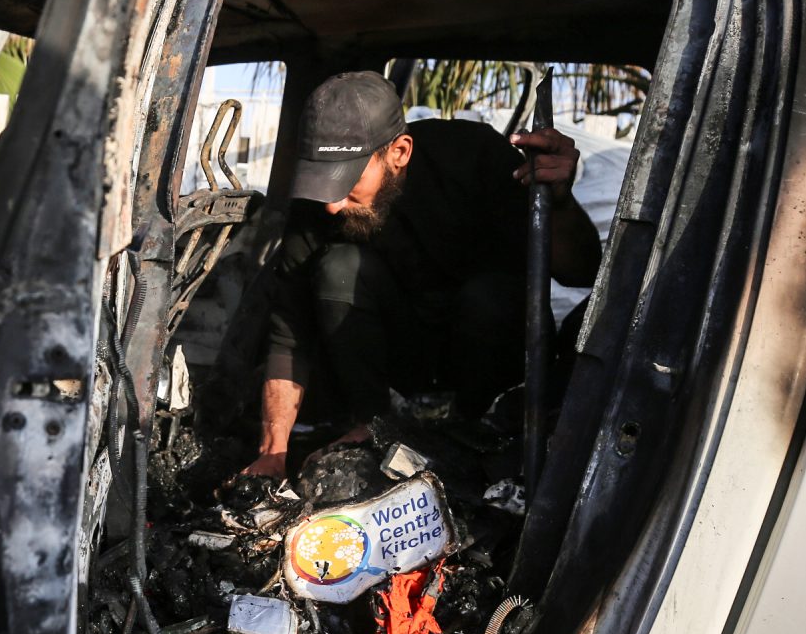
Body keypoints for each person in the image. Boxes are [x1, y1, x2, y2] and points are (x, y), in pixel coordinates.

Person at [241, 71, 601, 479]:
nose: (332, 204)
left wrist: (559, 201)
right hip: (403, 364)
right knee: (339, 268)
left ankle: (482, 434)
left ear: (399, 152)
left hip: (490, 359)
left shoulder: (473, 157)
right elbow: (289, 337)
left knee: (491, 294)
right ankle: (372, 426)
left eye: (347, 182)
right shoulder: (319, 205)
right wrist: (273, 452)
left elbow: (580, 273)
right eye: (324, 184)